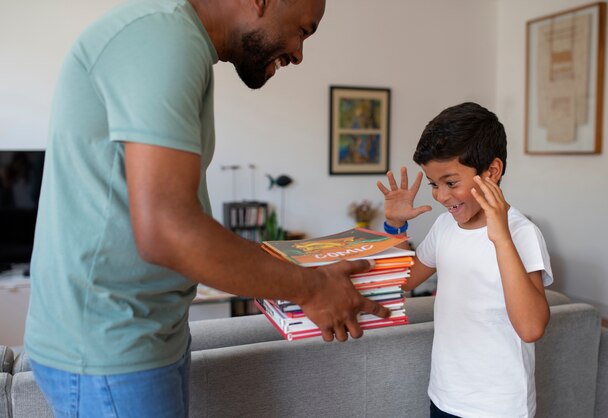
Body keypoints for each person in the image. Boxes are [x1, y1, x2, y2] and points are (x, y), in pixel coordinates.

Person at [24, 0, 390, 416]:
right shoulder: (162, 37)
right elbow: (167, 231)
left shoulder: (180, 41)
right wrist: (311, 287)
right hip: (109, 346)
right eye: (304, 31)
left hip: (145, 334)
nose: (300, 54)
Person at [377, 102, 553, 418]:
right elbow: (399, 283)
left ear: (492, 172)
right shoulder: (445, 225)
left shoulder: (522, 233)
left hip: (499, 407)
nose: (441, 196)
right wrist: (395, 227)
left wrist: (500, 236)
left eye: (451, 182)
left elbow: (531, 327)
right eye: (433, 184)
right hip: (445, 396)